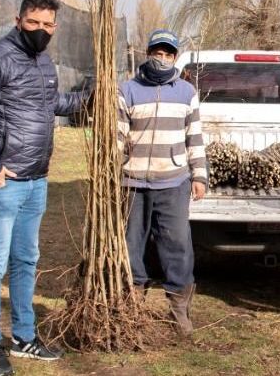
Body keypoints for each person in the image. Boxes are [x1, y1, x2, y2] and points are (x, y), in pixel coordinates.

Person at [0, 0, 86, 376]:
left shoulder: (43, 61)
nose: (41, 31)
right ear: (18, 19)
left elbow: (48, 102)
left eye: (48, 25)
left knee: (26, 260)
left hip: (35, 180)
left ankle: (24, 337)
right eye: (34, 23)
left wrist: (86, 99)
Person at [118, 28, 207, 336]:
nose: (163, 58)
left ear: (175, 58)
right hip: (133, 183)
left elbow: (194, 137)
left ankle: (179, 310)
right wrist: (112, 172)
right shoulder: (128, 89)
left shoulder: (186, 92)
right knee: (132, 246)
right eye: (158, 52)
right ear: (148, 53)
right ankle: (133, 308)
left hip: (174, 183)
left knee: (178, 246)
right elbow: (116, 137)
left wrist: (200, 175)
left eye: (169, 53)